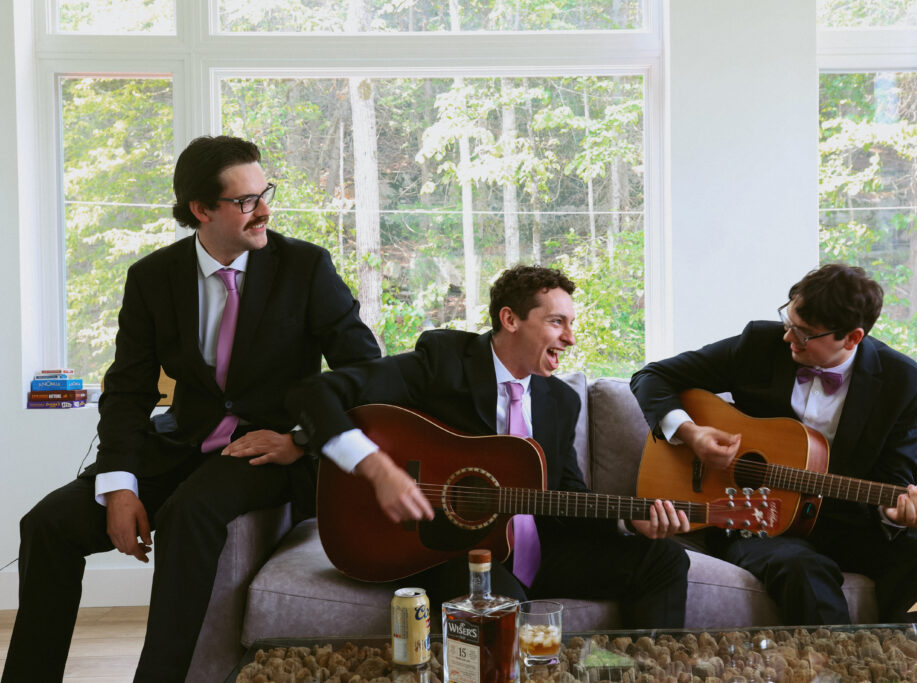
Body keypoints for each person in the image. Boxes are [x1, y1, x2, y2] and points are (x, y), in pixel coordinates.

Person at [2, 136, 381, 683]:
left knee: (187, 515)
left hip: (267, 450)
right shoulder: (153, 278)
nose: (265, 209)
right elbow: (129, 390)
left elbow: (364, 371)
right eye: (246, 200)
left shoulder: (305, 267)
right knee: (47, 525)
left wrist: (300, 439)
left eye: (265, 193)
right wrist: (119, 485)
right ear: (202, 209)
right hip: (182, 440)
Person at [287, 265, 691, 627]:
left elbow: (566, 494)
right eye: (556, 322)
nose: (569, 338)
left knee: (664, 559)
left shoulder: (561, 402)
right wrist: (378, 470)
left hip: (536, 551)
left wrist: (628, 520)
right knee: (502, 609)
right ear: (510, 319)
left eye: (571, 324)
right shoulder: (444, 362)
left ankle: (647, 670)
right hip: (450, 551)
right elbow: (313, 394)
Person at [630, 263, 917, 629]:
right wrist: (692, 434)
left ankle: (915, 659)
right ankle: (831, 661)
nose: (788, 337)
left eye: (804, 333)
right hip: (753, 517)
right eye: (788, 321)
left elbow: (894, 480)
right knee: (803, 569)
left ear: (852, 338)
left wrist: (894, 513)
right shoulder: (759, 344)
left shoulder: (906, 383)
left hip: (849, 525)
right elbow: (652, 376)